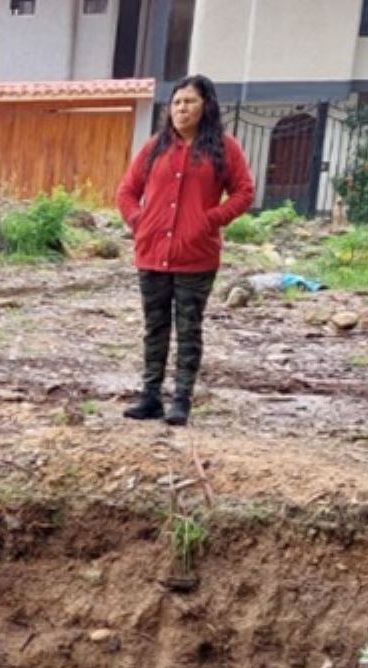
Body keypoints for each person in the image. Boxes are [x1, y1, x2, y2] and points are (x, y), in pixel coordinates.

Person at [115, 75, 254, 427]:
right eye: (176, 102)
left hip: (197, 256)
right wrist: (139, 220)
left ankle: (181, 399)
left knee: (189, 328)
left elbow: (244, 192)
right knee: (155, 327)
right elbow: (126, 191)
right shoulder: (154, 148)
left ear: (205, 105)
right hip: (152, 253)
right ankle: (150, 396)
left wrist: (211, 219)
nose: (181, 109)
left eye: (189, 102)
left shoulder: (223, 148)